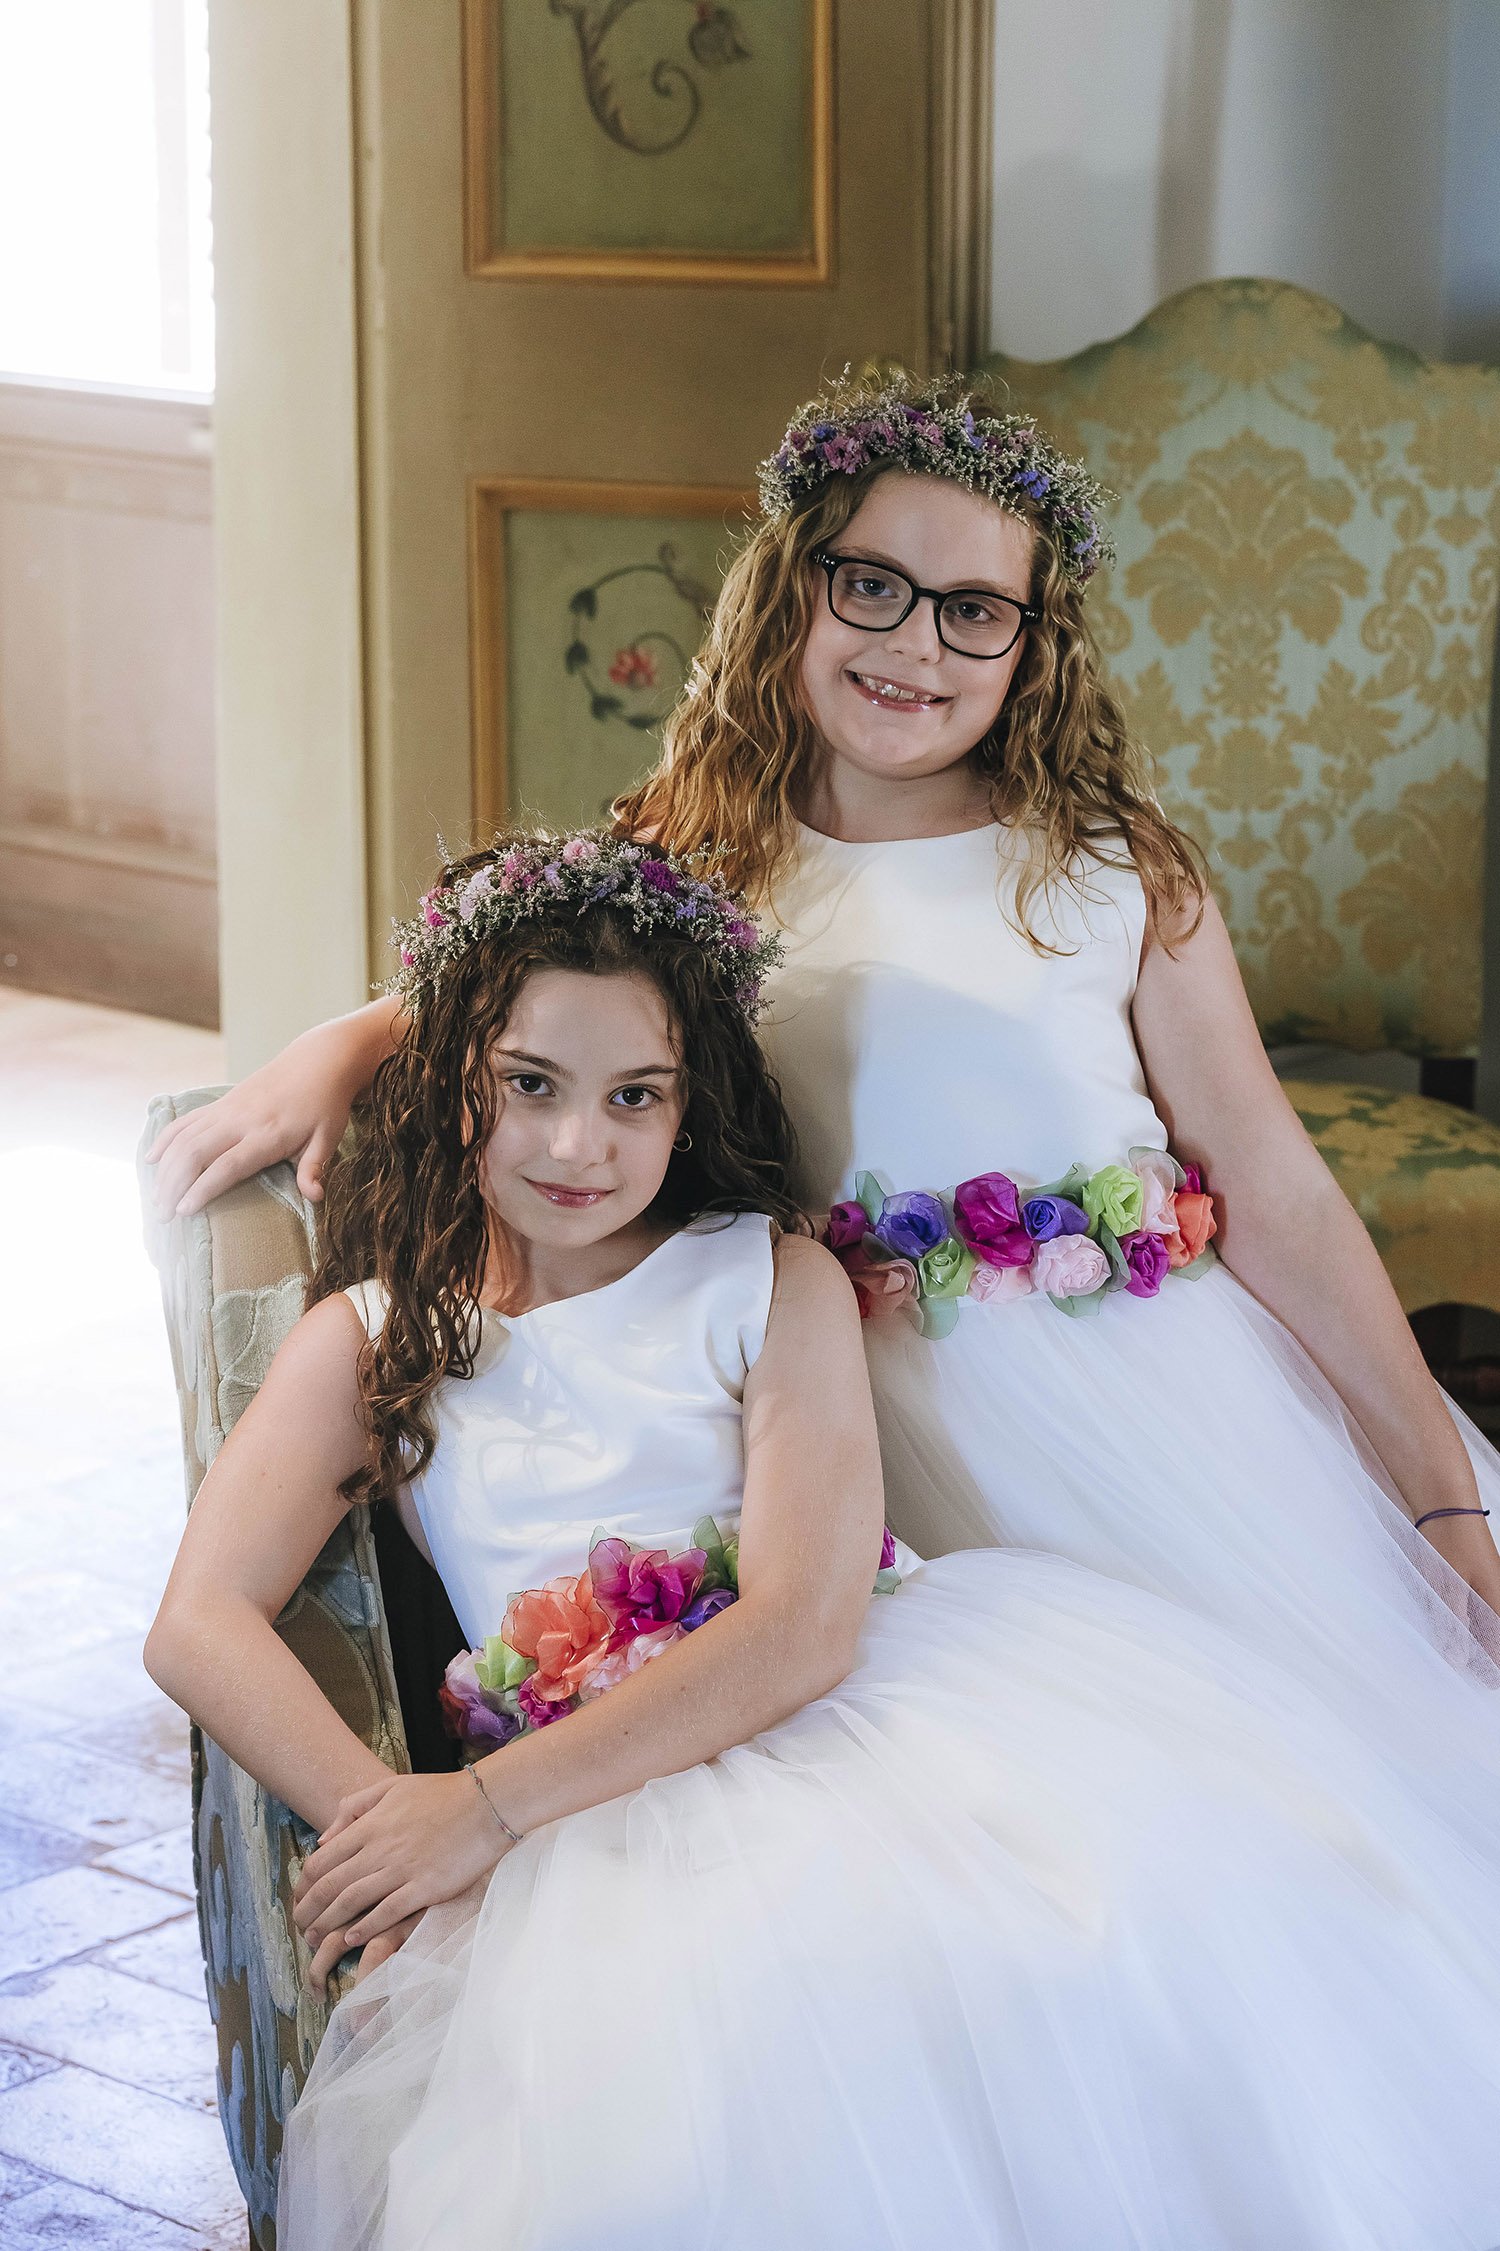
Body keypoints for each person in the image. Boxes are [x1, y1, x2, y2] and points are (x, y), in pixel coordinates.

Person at [147, 836, 1500, 2248]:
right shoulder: (375, 1338)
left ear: (691, 1105)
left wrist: (477, 1810)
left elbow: (801, 1623)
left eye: (634, 1096)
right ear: (454, 1080)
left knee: (1123, 1927)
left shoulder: (767, 1274)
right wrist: (391, 1822)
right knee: (673, 2130)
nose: (578, 1145)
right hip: (593, 1809)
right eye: (530, 1086)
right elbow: (198, 1622)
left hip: (864, 1711)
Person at [148, 367, 1500, 1760]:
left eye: (974, 611)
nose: (916, 645)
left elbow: (1276, 1187)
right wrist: (348, 1041)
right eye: (873, 586)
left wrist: (1438, 1493)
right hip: (840, 1420)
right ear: (795, 587)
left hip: (1140, 1409)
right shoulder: (701, 839)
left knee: (1278, 1758)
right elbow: (546, 977)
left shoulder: (1109, 869)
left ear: (1031, 647)